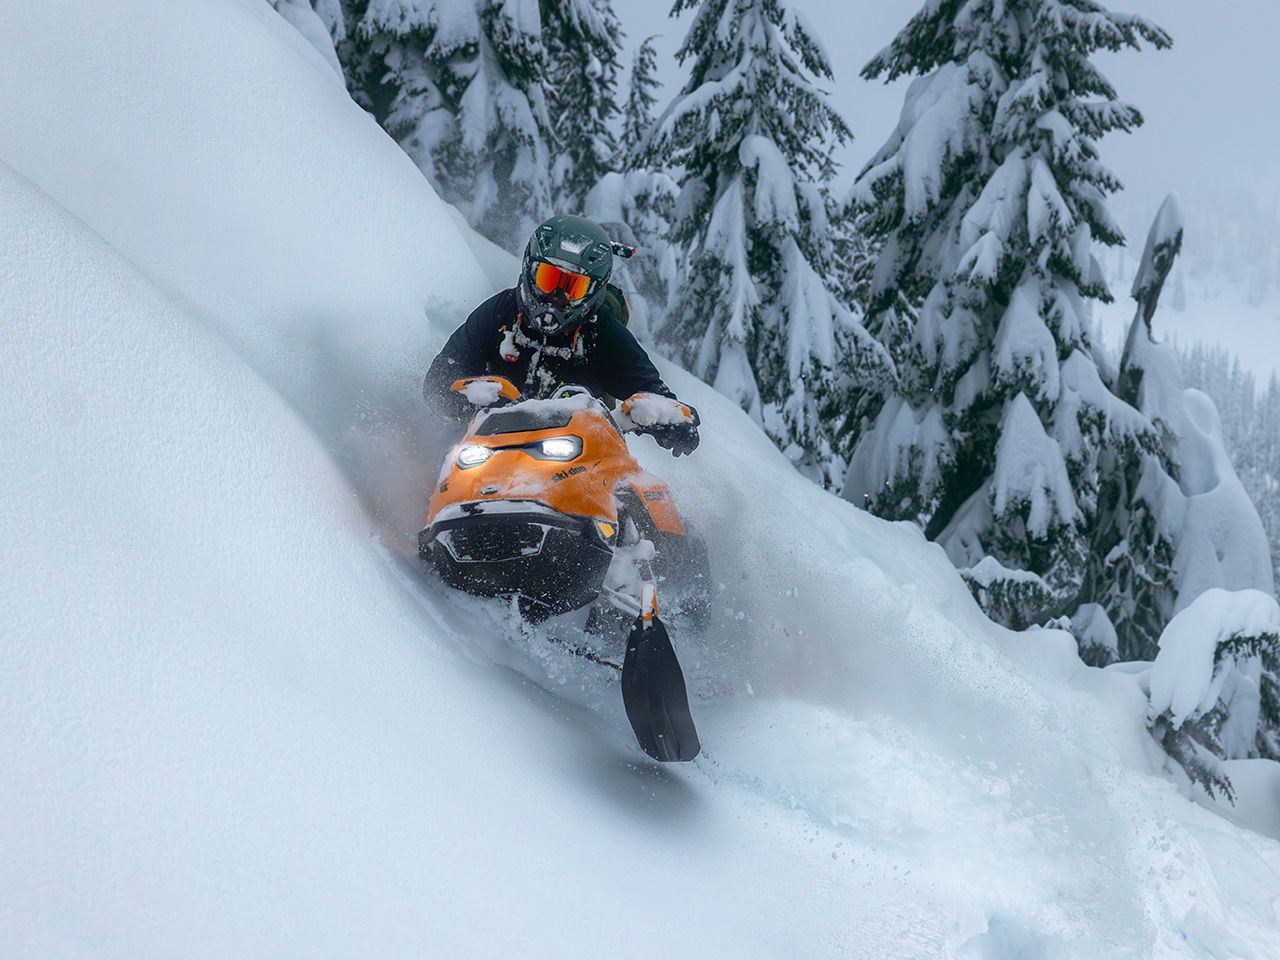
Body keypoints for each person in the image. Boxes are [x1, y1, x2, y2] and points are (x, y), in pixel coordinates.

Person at [423, 214, 700, 456]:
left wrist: (672, 419)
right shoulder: (499, 313)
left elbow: (647, 387)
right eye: (548, 279)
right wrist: (478, 399)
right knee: (440, 461)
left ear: (594, 293)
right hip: (489, 448)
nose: (555, 298)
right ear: (529, 270)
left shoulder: (601, 331)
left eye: (572, 288)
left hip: (578, 458)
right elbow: (440, 378)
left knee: (633, 490)